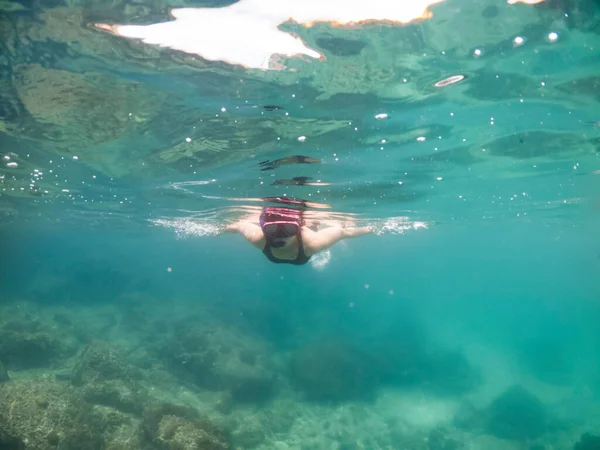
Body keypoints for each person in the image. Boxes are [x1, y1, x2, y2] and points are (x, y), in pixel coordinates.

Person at [224, 206, 373, 265]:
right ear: (263, 229)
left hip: (305, 236)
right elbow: (237, 226)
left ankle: (308, 225)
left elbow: (343, 232)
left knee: (338, 227)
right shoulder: (258, 238)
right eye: (272, 229)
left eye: (287, 229)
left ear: (297, 230)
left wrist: (369, 229)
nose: (279, 236)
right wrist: (222, 229)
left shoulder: (312, 243)